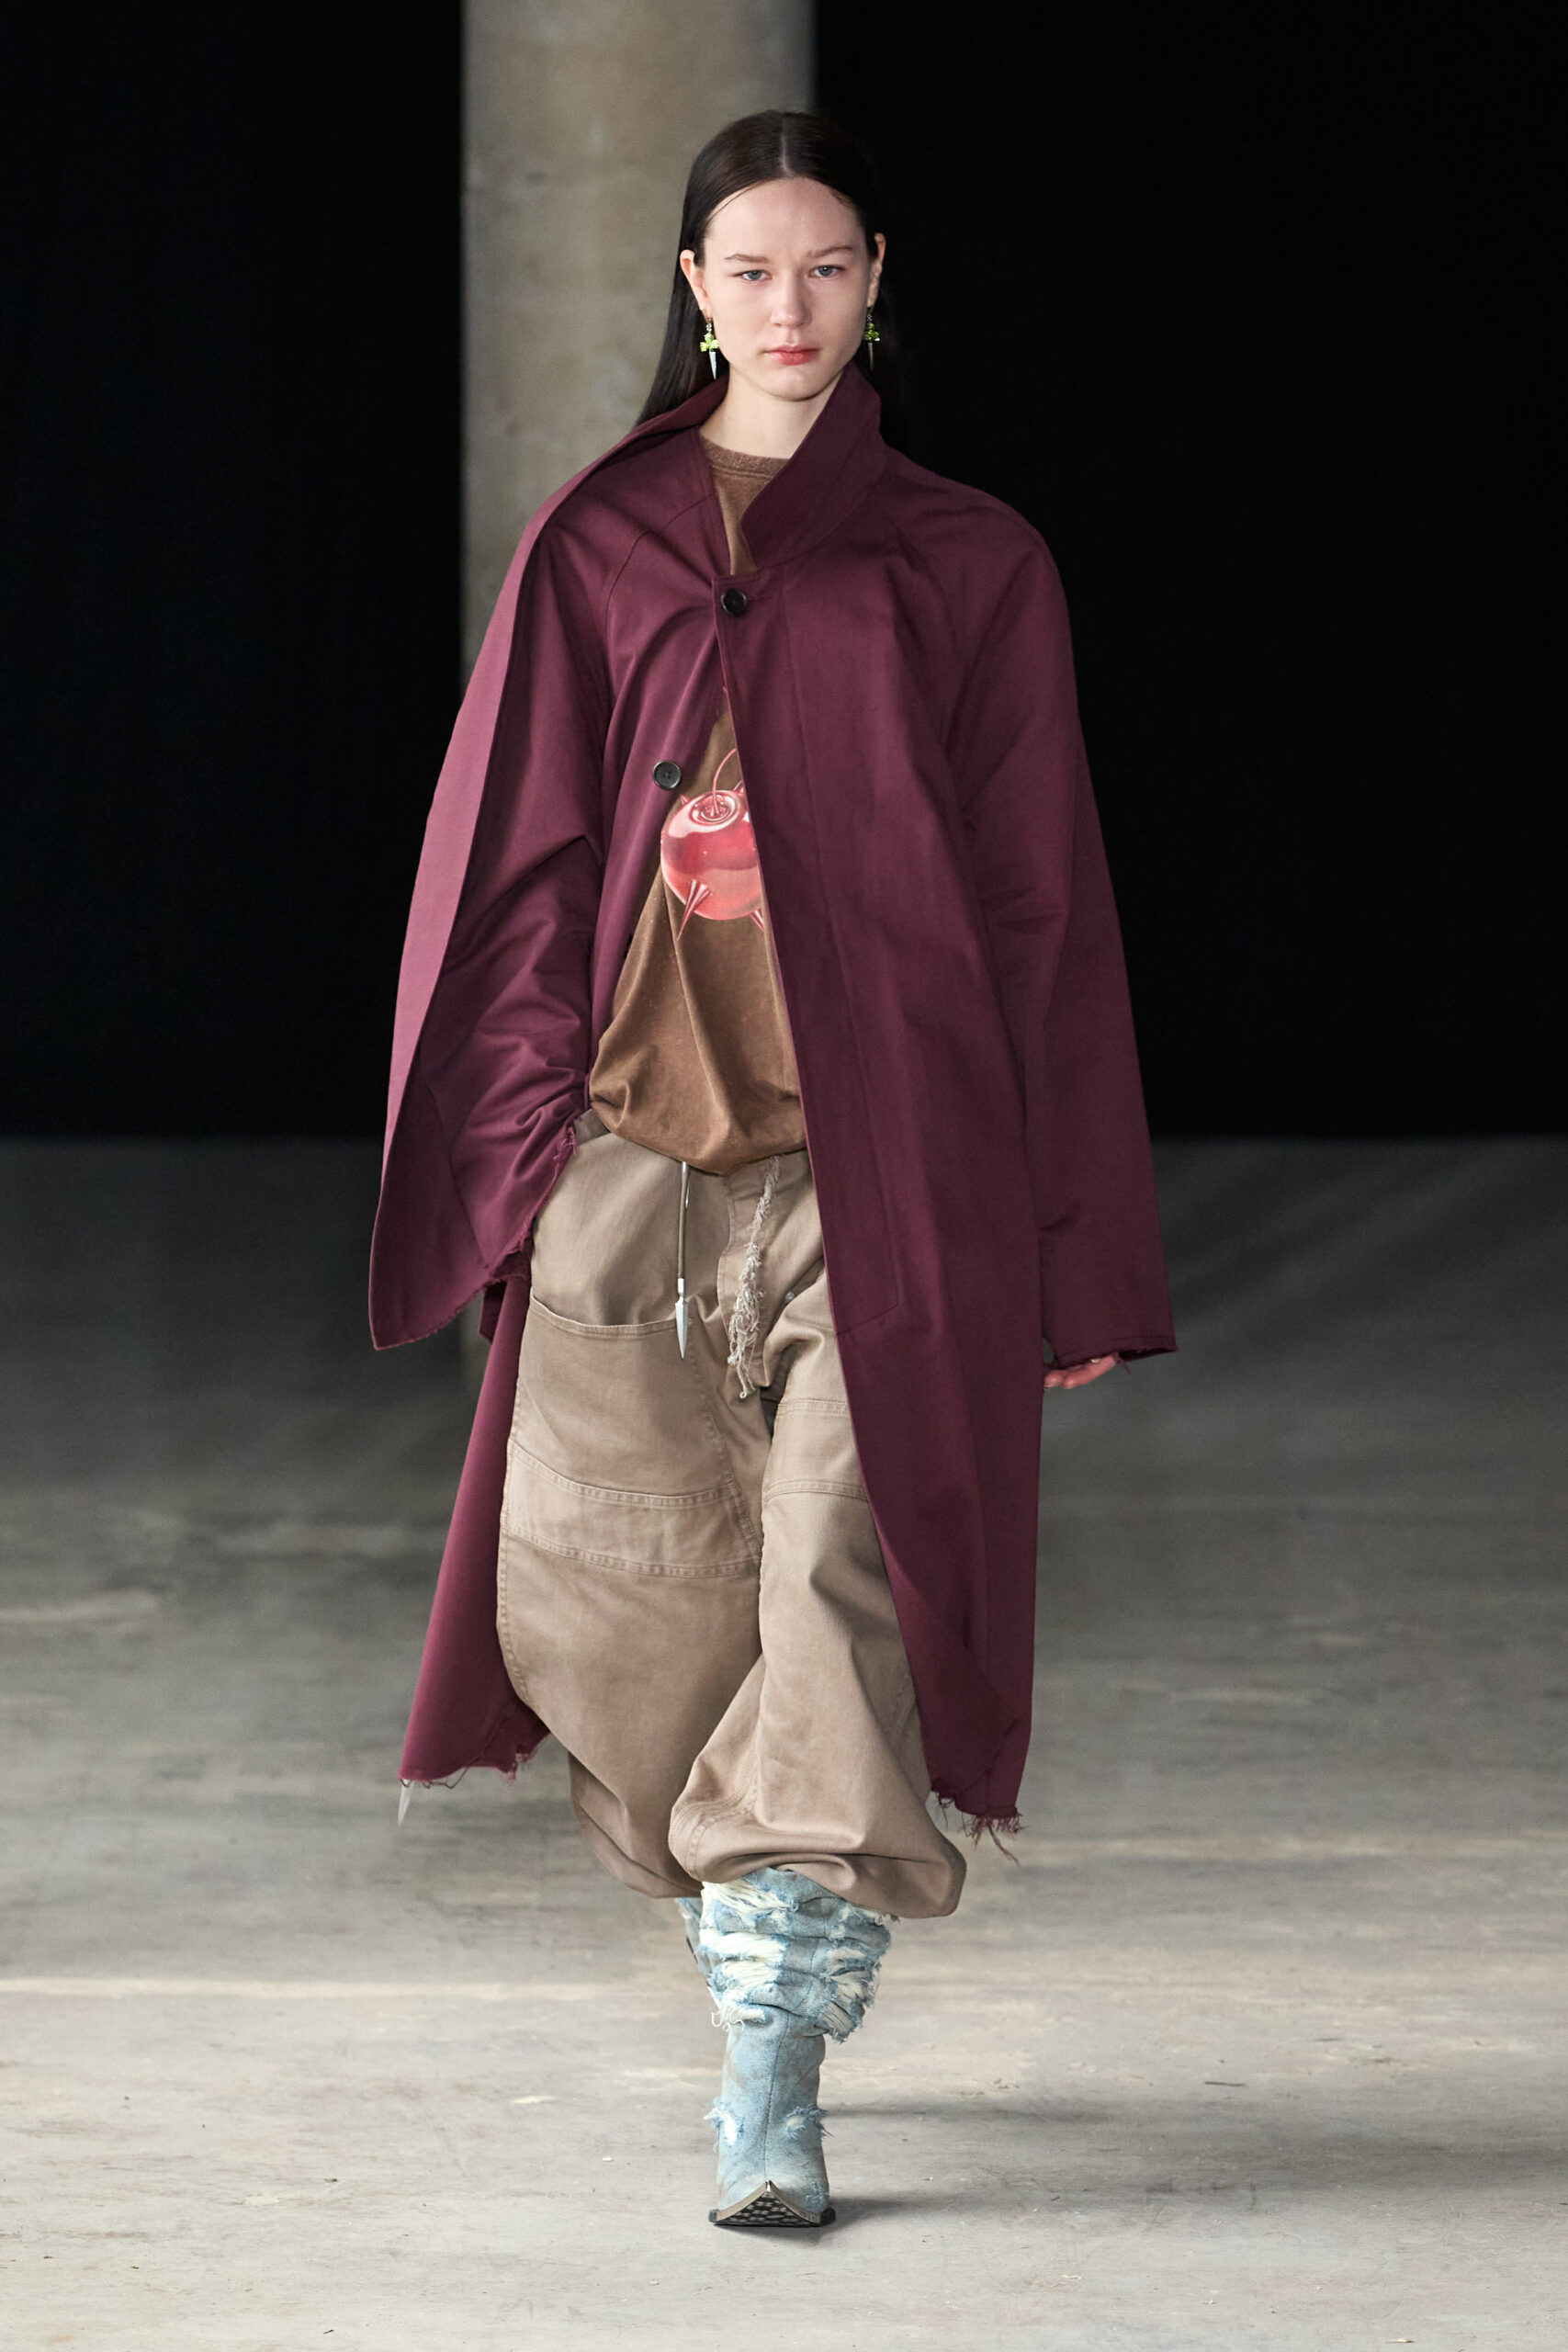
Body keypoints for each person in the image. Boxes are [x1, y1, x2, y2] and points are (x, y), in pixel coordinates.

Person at [370, 111, 1175, 2228]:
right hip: (629, 1168)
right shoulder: (596, 542)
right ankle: (748, 1915)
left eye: (825, 266)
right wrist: (511, 1164)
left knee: (843, 1573)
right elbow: (506, 867)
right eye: (749, 269)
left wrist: (1070, 1246)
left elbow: (1042, 907)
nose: (788, 307)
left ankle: (772, 2047)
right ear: (691, 285)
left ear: (875, 275)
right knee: (615, 1605)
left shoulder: (967, 562)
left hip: (883, 1177)